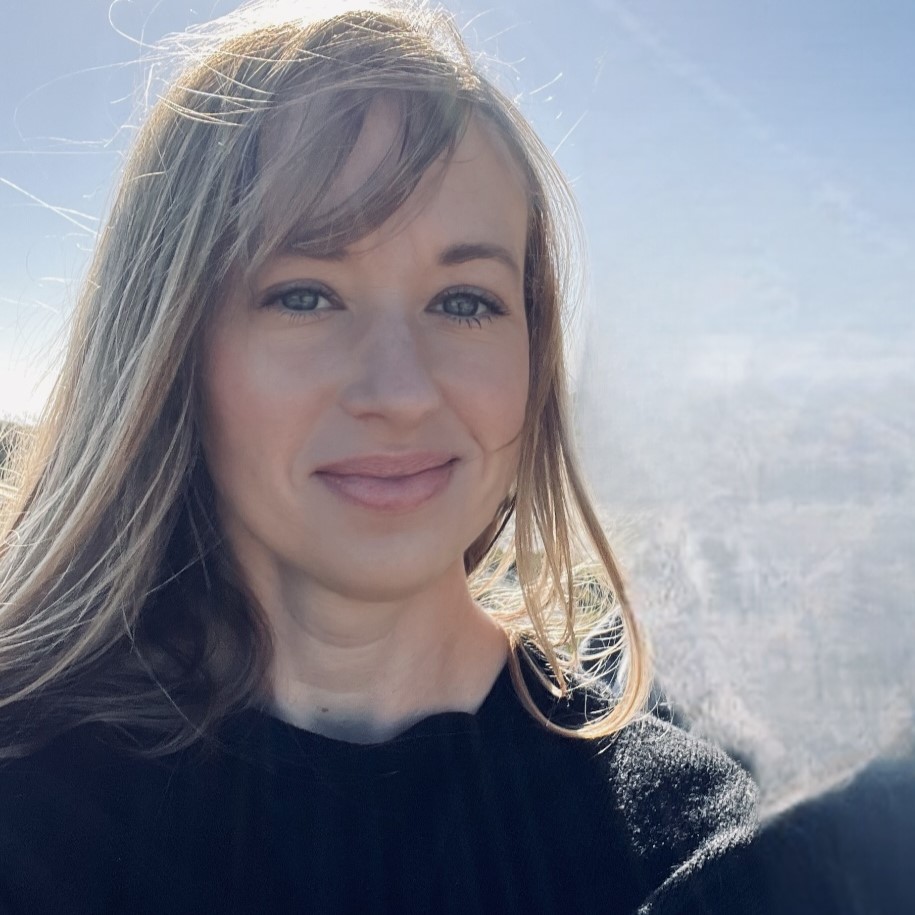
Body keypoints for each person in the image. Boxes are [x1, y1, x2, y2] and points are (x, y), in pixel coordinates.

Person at [0, 2, 762, 912]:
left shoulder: (696, 854)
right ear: (167, 345)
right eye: (307, 294)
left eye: (465, 302)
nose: (400, 391)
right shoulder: (31, 803)